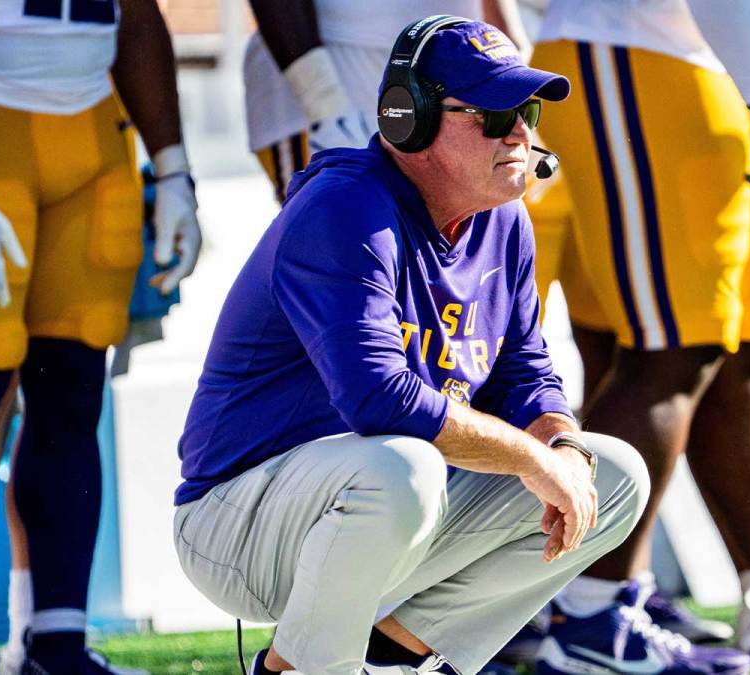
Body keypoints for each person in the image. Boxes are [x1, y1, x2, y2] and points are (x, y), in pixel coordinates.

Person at [173, 17, 647, 675]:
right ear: (410, 118)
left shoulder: (505, 221)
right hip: (241, 524)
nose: (521, 133)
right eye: (493, 113)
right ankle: (303, 669)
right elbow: (379, 398)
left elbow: (524, 373)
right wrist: (530, 458)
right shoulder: (345, 205)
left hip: (379, 508)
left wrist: (560, 444)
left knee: (614, 475)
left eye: (527, 110)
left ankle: (393, 657)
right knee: (404, 467)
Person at [527, 1, 750, 673]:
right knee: (669, 349)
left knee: (746, 348)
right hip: (640, 49)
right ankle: (588, 612)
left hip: (722, 63)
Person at [0, 0, 201, 672]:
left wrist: (173, 167)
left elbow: (135, 14)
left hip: (92, 133)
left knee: (72, 396)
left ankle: (53, 640)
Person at [243, 0, 520, 202]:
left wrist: (514, 79)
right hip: (333, 79)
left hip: (450, 92)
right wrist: (325, 104)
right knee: (344, 251)